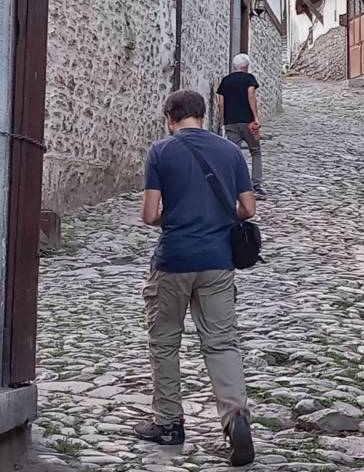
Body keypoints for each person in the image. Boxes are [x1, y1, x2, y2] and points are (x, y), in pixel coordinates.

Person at [136, 89, 258, 466]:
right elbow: (248, 207)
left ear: (170, 116)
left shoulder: (161, 151)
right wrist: (216, 218)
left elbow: (149, 214)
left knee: (165, 343)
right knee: (221, 343)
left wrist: (174, 218)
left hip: (173, 260)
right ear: (203, 116)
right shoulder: (229, 152)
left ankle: (169, 423)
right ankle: (235, 416)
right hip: (217, 260)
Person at [215, 54, 265, 195]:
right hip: (248, 122)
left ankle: (233, 182)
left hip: (231, 122)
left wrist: (223, 120)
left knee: (233, 152)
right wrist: (255, 117)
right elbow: (251, 96)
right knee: (255, 151)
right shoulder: (249, 79)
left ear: (234, 66)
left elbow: (221, 103)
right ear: (246, 66)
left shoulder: (225, 81)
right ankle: (256, 184)